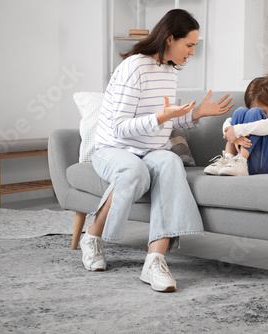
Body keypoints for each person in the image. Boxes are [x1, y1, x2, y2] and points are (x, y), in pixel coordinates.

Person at [81, 9, 233, 293]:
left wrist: (198, 113)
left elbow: (167, 119)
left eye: (195, 47)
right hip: (113, 148)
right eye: (189, 45)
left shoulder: (170, 71)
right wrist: (161, 118)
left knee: (171, 164)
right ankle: (92, 236)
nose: (191, 53)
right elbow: (120, 127)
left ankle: (155, 261)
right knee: (133, 170)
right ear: (170, 39)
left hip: (151, 148)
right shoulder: (134, 67)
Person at [204, 76, 268, 176]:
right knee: (240, 111)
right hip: (251, 162)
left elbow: (265, 126)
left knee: (255, 113)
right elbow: (229, 122)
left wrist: (236, 131)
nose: (261, 114)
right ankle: (229, 159)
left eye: (264, 111)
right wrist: (233, 135)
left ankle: (242, 160)